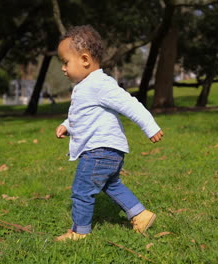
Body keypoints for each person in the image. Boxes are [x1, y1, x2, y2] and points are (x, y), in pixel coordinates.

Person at [54, 25, 164, 241]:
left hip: (99, 150)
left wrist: (150, 126)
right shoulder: (87, 86)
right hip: (107, 151)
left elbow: (129, 104)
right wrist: (67, 125)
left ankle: (79, 232)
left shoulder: (99, 84)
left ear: (85, 59)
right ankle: (141, 215)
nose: (63, 69)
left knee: (82, 190)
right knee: (111, 184)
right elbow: (82, 113)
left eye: (65, 62)